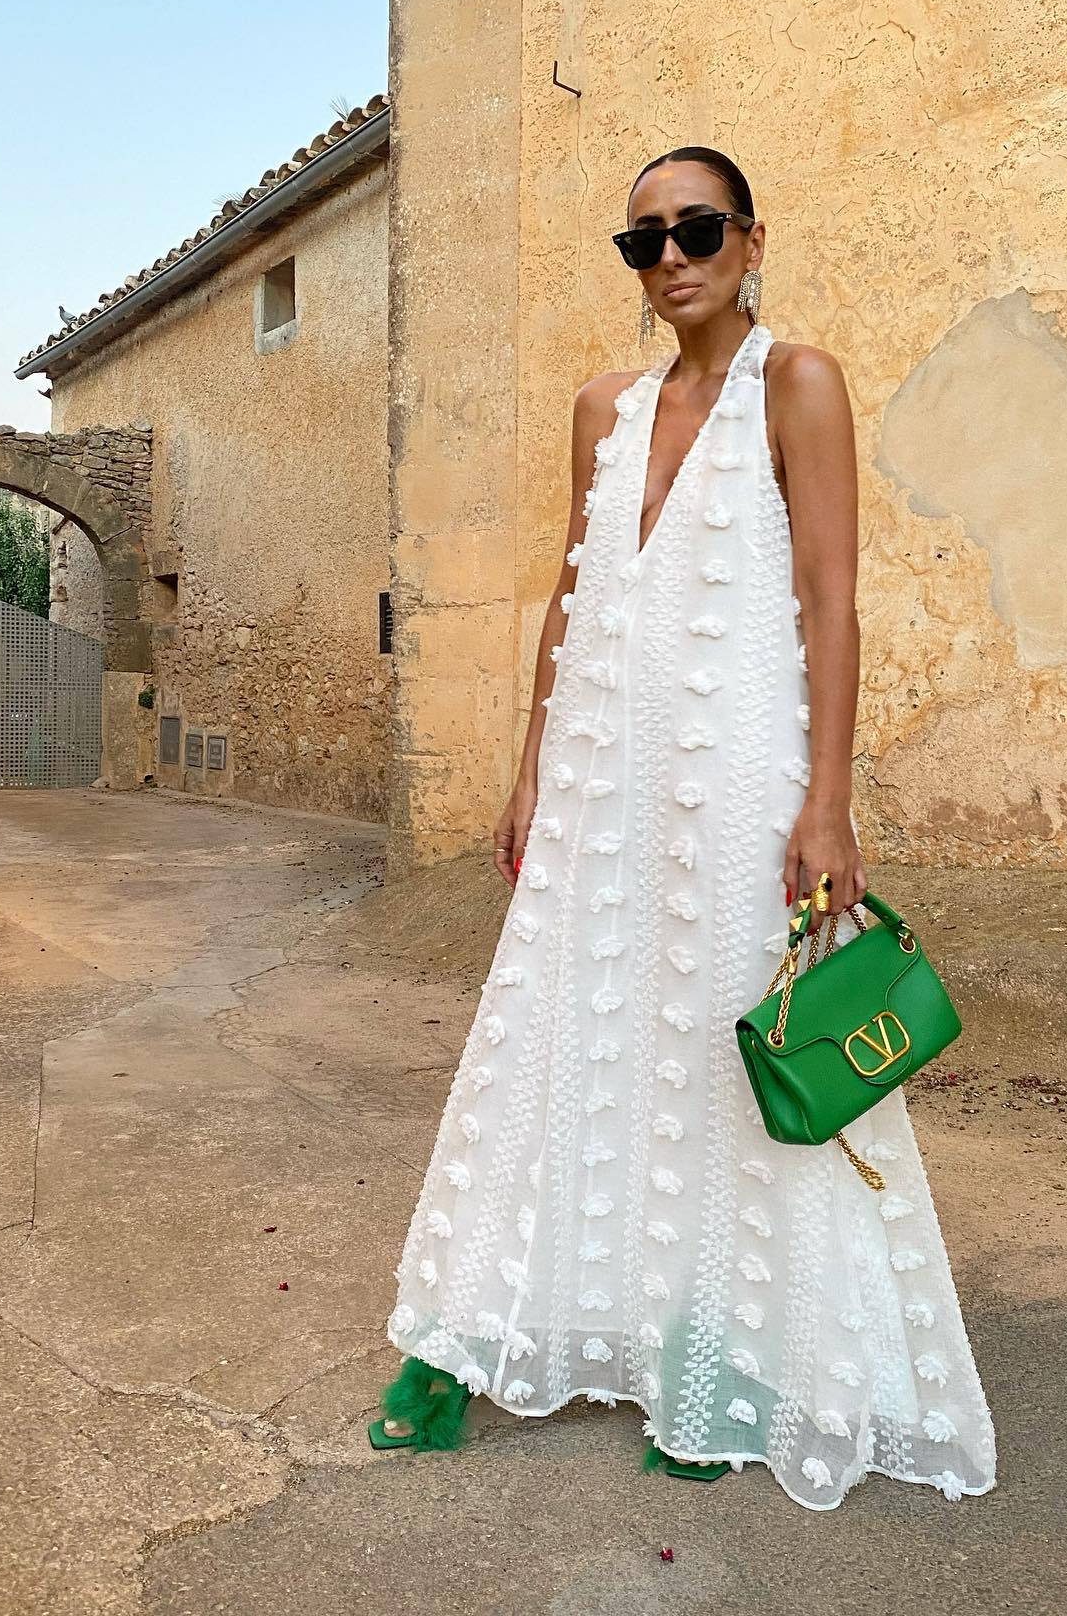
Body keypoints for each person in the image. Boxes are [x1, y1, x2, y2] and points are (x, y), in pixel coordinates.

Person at [372, 145, 996, 1510]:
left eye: (695, 229)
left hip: (739, 773)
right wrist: (531, 768)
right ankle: (462, 1327)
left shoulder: (802, 385)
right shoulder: (602, 406)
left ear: (749, 237)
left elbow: (831, 598)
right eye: (642, 240)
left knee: (727, 1048)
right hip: (601, 775)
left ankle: (715, 1362)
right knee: (552, 1031)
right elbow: (572, 593)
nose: (669, 258)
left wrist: (828, 799)